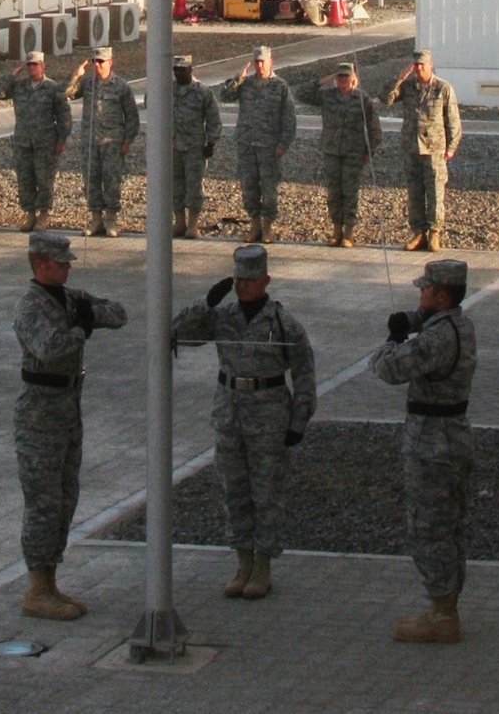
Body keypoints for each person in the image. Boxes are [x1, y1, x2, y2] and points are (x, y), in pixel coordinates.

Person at [172, 243, 317, 600]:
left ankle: (263, 565)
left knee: (266, 493)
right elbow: (178, 333)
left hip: (269, 416)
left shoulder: (283, 323)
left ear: (266, 280)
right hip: (230, 413)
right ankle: (242, 561)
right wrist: (205, 303)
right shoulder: (223, 317)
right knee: (234, 490)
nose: (243, 287)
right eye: (238, 280)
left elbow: (305, 373)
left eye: (251, 281)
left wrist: (299, 420)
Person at [13, 229, 128, 619]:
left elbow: (118, 313)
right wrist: (81, 329)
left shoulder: (67, 298)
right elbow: (50, 349)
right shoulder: (31, 308)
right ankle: (35, 588)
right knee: (42, 503)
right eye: (59, 264)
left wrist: (89, 314)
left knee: (64, 498)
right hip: (40, 415)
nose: (66, 269)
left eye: (67, 263)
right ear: (38, 264)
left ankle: (51, 581)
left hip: (66, 410)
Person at [369, 257, 477, 643]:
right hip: (452, 435)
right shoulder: (457, 323)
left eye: (426, 290)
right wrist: (414, 319)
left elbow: (388, 369)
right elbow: (428, 322)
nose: (420, 292)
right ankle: (444, 604)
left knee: (428, 527)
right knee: (450, 525)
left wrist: (392, 339)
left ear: (442, 295)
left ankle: (443, 612)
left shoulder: (436, 338)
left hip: (432, 442)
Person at [381, 49, 462, 252]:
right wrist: (399, 77)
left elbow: (453, 120)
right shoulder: (407, 87)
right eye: (416, 65)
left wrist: (451, 147)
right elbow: (385, 98)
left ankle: (434, 233)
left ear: (430, 64)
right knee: (415, 193)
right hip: (411, 148)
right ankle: (418, 233)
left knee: (435, 193)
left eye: (422, 65)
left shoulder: (443, 88)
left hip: (434, 149)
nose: (419, 69)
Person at [220, 45, 296, 244]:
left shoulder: (280, 87)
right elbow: (225, 96)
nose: (259, 65)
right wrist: (238, 79)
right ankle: (254, 224)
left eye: (262, 61)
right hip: (247, 144)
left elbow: (289, 119)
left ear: (271, 62)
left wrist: (283, 144)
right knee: (249, 187)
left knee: (269, 189)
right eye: (256, 62)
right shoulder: (246, 84)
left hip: (269, 147)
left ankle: (268, 225)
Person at [0, 50, 72, 231]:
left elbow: (64, 116)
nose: (31, 68)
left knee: (44, 180)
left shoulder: (52, 88)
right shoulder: (19, 86)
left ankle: (43, 215)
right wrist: (12, 75)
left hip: (45, 143)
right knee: (25, 179)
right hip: (23, 142)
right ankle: (30, 214)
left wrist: (61, 140)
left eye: (35, 65)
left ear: (42, 66)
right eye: (29, 65)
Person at [302, 61, 382, 247]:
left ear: (353, 78)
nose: (343, 80)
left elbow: (374, 127)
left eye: (346, 76)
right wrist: (324, 79)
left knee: (350, 191)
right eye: (340, 77)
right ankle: (336, 228)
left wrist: (370, 149)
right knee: (334, 191)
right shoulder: (328, 96)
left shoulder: (362, 99)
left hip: (353, 152)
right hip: (331, 150)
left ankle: (349, 231)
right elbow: (303, 94)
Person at [64, 46, 140, 236]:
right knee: (91, 180)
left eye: (101, 62)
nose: (97, 65)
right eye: (94, 62)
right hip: (90, 142)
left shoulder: (121, 86)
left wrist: (127, 141)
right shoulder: (88, 83)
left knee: (112, 181)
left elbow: (132, 117)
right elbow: (65, 93)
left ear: (110, 62)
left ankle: (111, 220)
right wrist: (76, 75)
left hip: (112, 143)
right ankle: (96, 219)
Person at [171, 53, 222, 238]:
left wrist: (211, 142)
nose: (178, 74)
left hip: (194, 147)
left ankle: (193, 223)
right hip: (173, 146)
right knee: (175, 185)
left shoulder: (203, 91)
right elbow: (151, 103)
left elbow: (213, 118)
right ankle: (179, 222)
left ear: (191, 70)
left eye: (182, 70)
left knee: (194, 187)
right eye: (175, 70)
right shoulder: (168, 89)